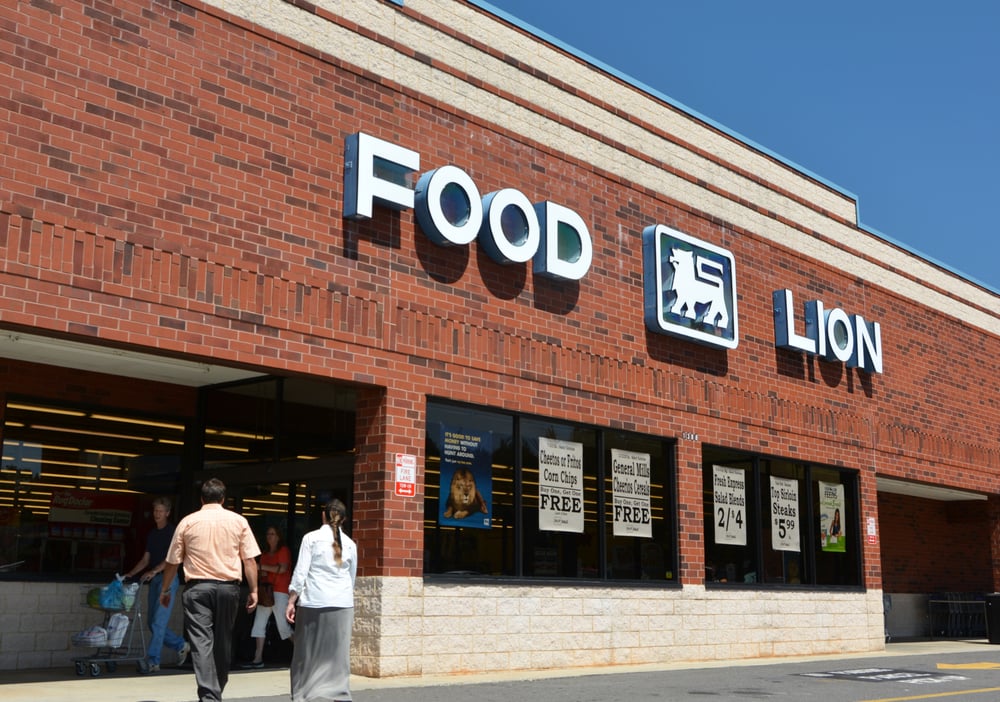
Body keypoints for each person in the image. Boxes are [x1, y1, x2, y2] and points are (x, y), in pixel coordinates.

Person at [160, 478, 261, 702]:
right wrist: (254, 590)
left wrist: (165, 589)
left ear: (202, 498)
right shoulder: (239, 521)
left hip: (197, 589)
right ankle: (215, 691)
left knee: (201, 643)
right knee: (224, 640)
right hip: (228, 588)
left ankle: (209, 695)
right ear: (224, 498)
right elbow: (250, 560)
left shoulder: (188, 522)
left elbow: (172, 562)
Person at [285, 498, 358, 702]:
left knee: (305, 654)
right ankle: (339, 695)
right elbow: (351, 577)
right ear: (344, 519)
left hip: (313, 602)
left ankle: (302, 695)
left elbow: (301, 573)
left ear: (323, 515)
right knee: (338, 655)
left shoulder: (311, 538)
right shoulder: (351, 545)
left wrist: (291, 600)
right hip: (343, 604)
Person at [124, 496, 190, 674]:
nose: (157, 514)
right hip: (154, 582)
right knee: (151, 622)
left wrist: (154, 571)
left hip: (168, 580)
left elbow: (173, 559)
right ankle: (180, 645)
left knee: (159, 622)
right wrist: (131, 573)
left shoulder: (173, 533)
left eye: (160, 511)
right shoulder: (153, 534)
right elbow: (146, 559)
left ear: (168, 513)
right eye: (155, 511)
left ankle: (153, 661)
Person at [241, 526, 293, 668]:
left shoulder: (283, 551)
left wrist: (262, 568)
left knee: (283, 626)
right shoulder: (264, 554)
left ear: (278, 537)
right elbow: (263, 575)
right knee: (259, 624)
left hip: (280, 591)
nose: (269, 536)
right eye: (268, 534)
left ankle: (302, 652)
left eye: (273, 534)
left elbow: (282, 569)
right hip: (266, 591)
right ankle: (257, 659)